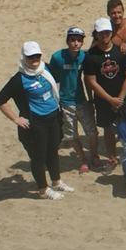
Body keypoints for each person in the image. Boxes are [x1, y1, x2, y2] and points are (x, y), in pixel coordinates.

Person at [0, 41, 74, 200]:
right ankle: (43, 190)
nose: (34, 59)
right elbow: (0, 100)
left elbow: (56, 83)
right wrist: (16, 119)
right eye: (30, 57)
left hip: (53, 118)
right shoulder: (19, 79)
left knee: (53, 151)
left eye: (37, 55)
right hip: (35, 123)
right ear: (24, 57)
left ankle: (56, 181)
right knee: (38, 157)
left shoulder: (45, 68)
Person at [84, 17, 126, 166]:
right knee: (108, 129)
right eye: (101, 33)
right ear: (96, 34)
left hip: (122, 97)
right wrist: (110, 99)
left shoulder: (120, 52)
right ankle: (112, 156)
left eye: (107, 32)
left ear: (111, 33)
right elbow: (91, 81)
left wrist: (120, 98)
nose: (104, 35)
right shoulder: (91, 56)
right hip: (103, 99)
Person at [50, 26, 99, 171]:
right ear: (67, 41)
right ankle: (83, 159)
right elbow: (51, 79)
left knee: (92, 131)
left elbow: (89, 79)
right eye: (73, 40)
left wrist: (90, 99)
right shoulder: (57, 57)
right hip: (65, 102)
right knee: (71, 135)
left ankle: (94, 155)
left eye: (79, 40)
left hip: (81, 100)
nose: (76, 43)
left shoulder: (85, 57)